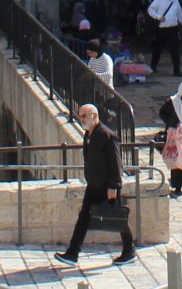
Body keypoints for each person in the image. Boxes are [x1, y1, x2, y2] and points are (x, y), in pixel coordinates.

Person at [56, 102, 138, 264]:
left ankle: (129, 250)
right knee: (84, 217)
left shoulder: (107, 135)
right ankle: (73, 253)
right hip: (93, 184)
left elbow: (116, 163)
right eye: (80, 116)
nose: (81, 119)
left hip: (107, 186)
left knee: (117, 218)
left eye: (84, 116)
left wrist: (114, 186)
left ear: (94, 116)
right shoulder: (88, 135)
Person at [146, 0, 182, 77]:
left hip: (173, 29)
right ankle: (153, 66)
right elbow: (150, 10)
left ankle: (177, 70)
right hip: (162, 29)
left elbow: (180, 15)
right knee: (158, 49)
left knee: (175, 50)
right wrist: (158, 17)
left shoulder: (176, 1)